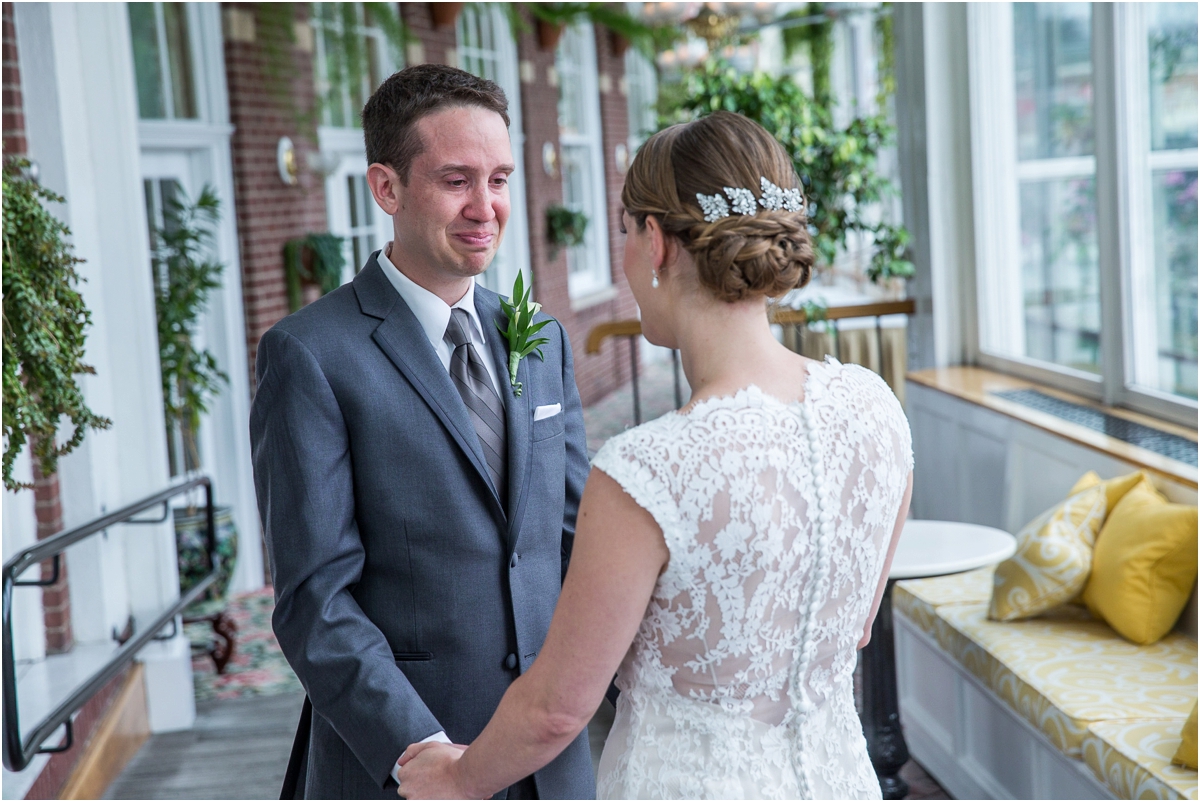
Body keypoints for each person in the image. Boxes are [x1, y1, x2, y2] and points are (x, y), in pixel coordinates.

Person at [396, 111, 914, 800]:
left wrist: (458, 780)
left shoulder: (651, 469)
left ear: (655, 241)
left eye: (624, 233)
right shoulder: (876, 408)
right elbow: (854, 626)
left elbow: (558, 707)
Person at [249, 64, 595, 800]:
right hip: (405, 766)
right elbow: (315, 601)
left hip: (554, 763)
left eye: (499, 179)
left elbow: (574, 541)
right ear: (387, 188)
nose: (486, 207)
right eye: (456, 180)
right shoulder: (309, 355)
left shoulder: (539, 337)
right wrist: (423, 755)